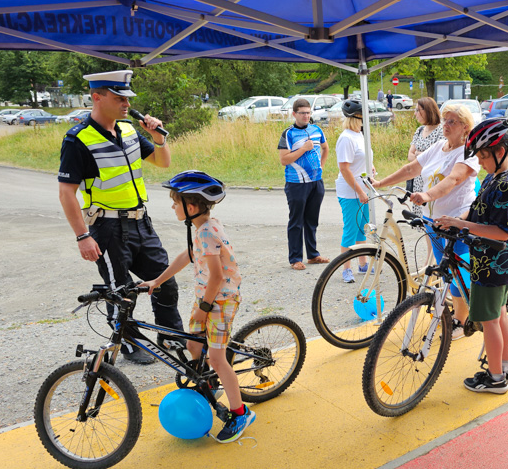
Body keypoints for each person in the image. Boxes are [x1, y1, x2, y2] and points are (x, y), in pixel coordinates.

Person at [57, 69, 182, 365]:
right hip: (108, 227)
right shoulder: (78, 140)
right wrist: (82, 236)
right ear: (97, 97)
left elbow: (163, 163)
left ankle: (170, 336)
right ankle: (127, 343)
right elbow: (66, 193)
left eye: (127, 98)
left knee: (164, 282)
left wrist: (158, 137)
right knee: (121, 294)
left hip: (141, 222)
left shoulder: (128, 131)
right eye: (119, 97)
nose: (126, 103)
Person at [140, 171, 252, 443]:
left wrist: (203, 307)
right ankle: (210, 384)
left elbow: (217, 276)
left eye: (175, 202)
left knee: (216, 358)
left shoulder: (207, 232)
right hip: (206, 296)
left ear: (190, 207)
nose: (172, 207)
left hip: (220, 300)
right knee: (193, 344)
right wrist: (158, 280)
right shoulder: (201, 228)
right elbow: (187, 255)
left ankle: (240, 413)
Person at [373, 104, 479, 338]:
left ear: (465, 127)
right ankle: (458, 311)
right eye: (444, 120)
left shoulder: (468, 153)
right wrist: (381, 183)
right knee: (446, 269)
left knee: (457, 270)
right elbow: (412, 168)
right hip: (435, 220)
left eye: (452, 121)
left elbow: (454, 178)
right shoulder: (439, 147)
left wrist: (427, 195)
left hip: (458, 220)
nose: (446, 125)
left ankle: (462, 321)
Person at [436, 118, 508, 394]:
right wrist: (455, 219)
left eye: (484, 156)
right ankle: (507, 368)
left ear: (500, 152)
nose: (481, 162)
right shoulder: (493, 178)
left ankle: (495, 379)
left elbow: (502, 232)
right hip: (491, 260)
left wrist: (463, 225)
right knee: (499, 315)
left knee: (490, 321)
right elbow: (475, 211)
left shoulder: (507, 186)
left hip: (492, 262)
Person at [278, 98, 330, 270]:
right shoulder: (288, 134)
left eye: (308, 112)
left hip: (316, 182)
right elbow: (284, 160)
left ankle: (313, 255)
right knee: (296, 221)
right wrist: (303, 149)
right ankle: (295, 259)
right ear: (294, 114)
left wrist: (321, 167)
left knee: (312, 220)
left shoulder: (317, 130)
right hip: (296, 183)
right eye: (302, 113)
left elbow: (325, 148)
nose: (306, 116)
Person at [334, 100, 372, 284]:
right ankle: (346, 269)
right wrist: (359, 191)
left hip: (363, 188)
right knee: (350, 231)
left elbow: (360, 161)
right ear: (357, 117)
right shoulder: (346, 138)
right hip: (351, 192)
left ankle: (362, 264)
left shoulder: (359, 135)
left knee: (362, 230)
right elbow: (345, 169)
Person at [406, 97, 444, 215]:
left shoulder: (441, 130)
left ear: (428, 111)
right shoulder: (420, 130)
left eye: (418, 110)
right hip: (418, 180)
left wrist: (418, 155)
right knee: (420, 219)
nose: (415, 113)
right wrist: (423, 156)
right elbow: (409, 155)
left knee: (432, 215)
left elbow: (438, 157)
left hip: (432, 181)